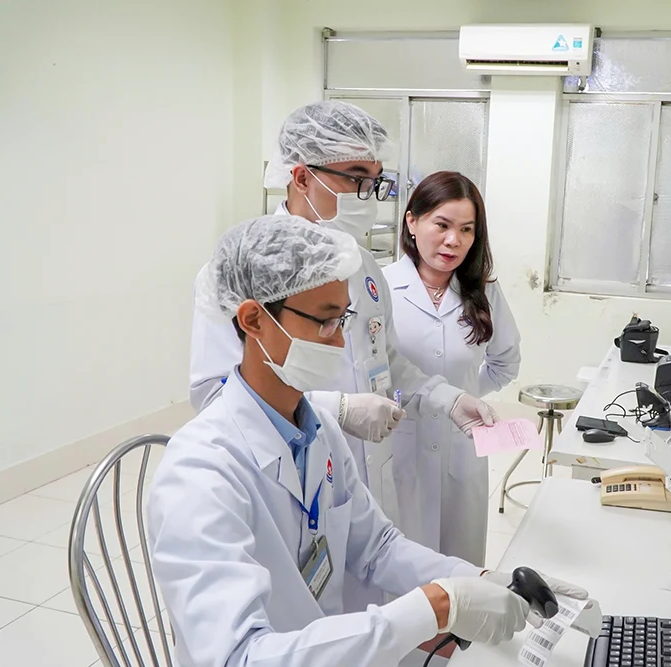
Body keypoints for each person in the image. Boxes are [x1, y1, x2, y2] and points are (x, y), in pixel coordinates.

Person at [149, 216, 588, 666]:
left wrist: (476, 578)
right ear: (254, 319)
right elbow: (238, 657)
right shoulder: (200, 475)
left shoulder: (317, 429)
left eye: (343, 320)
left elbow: (378, 547)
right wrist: (437, 608)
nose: (341, 344)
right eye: (325, 322)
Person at [188, 100, 496, 549]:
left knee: (379, 571)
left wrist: (446, 399)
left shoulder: (364, 266)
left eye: (375, 181)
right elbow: (214, 394)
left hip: (374, 478)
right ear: (301, 177)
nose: (367, 195)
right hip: (293, 477)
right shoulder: (239, 268)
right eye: (355, 177)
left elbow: (386, 360)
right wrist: (339, 410)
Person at [382, 172, 520, 566]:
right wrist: (437, 401)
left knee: (461, 569)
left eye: (466, 229)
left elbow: (505, 363)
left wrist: (464, 398)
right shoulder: (380, 286)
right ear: (412, 222)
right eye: (441, 225)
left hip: (462, 448)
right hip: (397, 443)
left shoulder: (484, 291)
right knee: (401, 569)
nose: (453, 240)